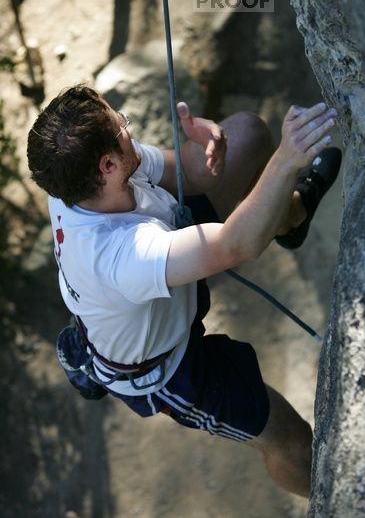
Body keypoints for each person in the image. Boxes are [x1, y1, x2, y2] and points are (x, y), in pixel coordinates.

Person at [27, 84, 341, 498]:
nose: (126, 126)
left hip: (155, 269)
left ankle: (293, 215)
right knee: (293, 441)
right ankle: (336, 503)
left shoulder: (80, 176)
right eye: (122, 126)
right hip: (167, 364)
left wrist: (208, 148)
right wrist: (286, 161)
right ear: (106, 165)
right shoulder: (121, 255)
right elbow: (236, 244)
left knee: (246, 133)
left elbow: (191, 172)